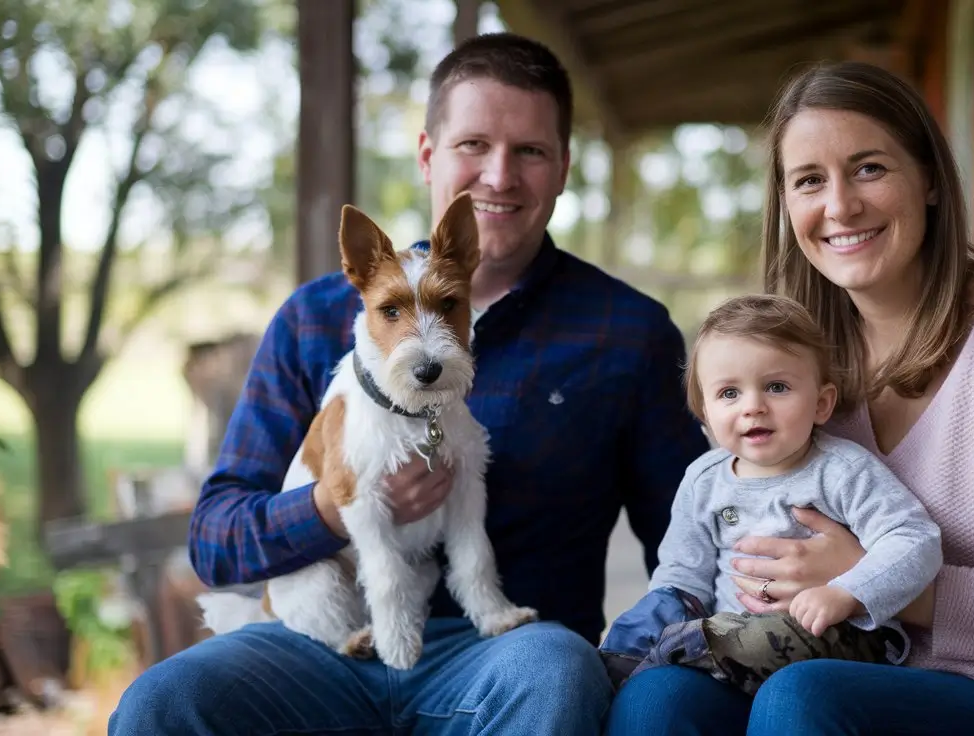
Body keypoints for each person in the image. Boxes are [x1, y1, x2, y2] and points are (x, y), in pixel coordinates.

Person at [109, 33, 710, 736]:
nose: (499, 176)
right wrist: (334, 511)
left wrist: (640, 657)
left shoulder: (626, 334)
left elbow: (685, 537)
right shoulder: (313, 319)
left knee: (556, 670)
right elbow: (215, 540)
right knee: (162, 702)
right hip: (317, 644)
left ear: (564, 167)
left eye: (531, 152)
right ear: (429, 155)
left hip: (505, 653)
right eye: (473, 145)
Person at [606, 61, 974, 736]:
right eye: (809, 181)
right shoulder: (797, 360)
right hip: (821, 660)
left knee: (802, 701)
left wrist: (871, 579)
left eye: (870, 168)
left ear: (931, 179)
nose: (840, 206)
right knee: (657, 700)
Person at [599, 293, 941, 696]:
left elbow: (915, 539)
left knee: (743, 639)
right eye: (729, 393)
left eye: (776, 387)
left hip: (836, 636)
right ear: (704, 414)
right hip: (726, 632)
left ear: (821, 403)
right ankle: (611, 670)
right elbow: (682, 573)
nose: (753, 407)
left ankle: (681, 653)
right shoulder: (703, 479)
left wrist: (847, 592)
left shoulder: (841, 471)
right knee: (647, 619)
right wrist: (652, 618)